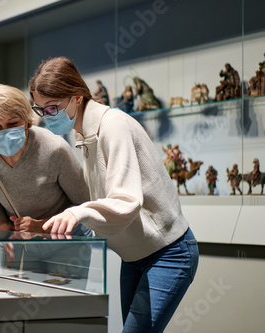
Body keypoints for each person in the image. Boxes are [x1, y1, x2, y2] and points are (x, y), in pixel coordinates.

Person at [28, 56, 199, 333]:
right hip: (133, 257)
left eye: (52, 108)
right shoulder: (83, 134)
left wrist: (78, 211)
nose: (47, 117)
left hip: (169, 252)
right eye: (41, 109)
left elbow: (126, 201)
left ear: (77, 97)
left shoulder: (113, 125)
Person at [0, 83, 93, 278]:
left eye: (12, 123)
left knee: (64, 303)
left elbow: (84, 204)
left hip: (66, 243)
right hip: (19, 244)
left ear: (26, 121)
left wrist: (41, 225)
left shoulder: (54, 149)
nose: (5, 132)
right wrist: (6, 232)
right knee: (17, 299)